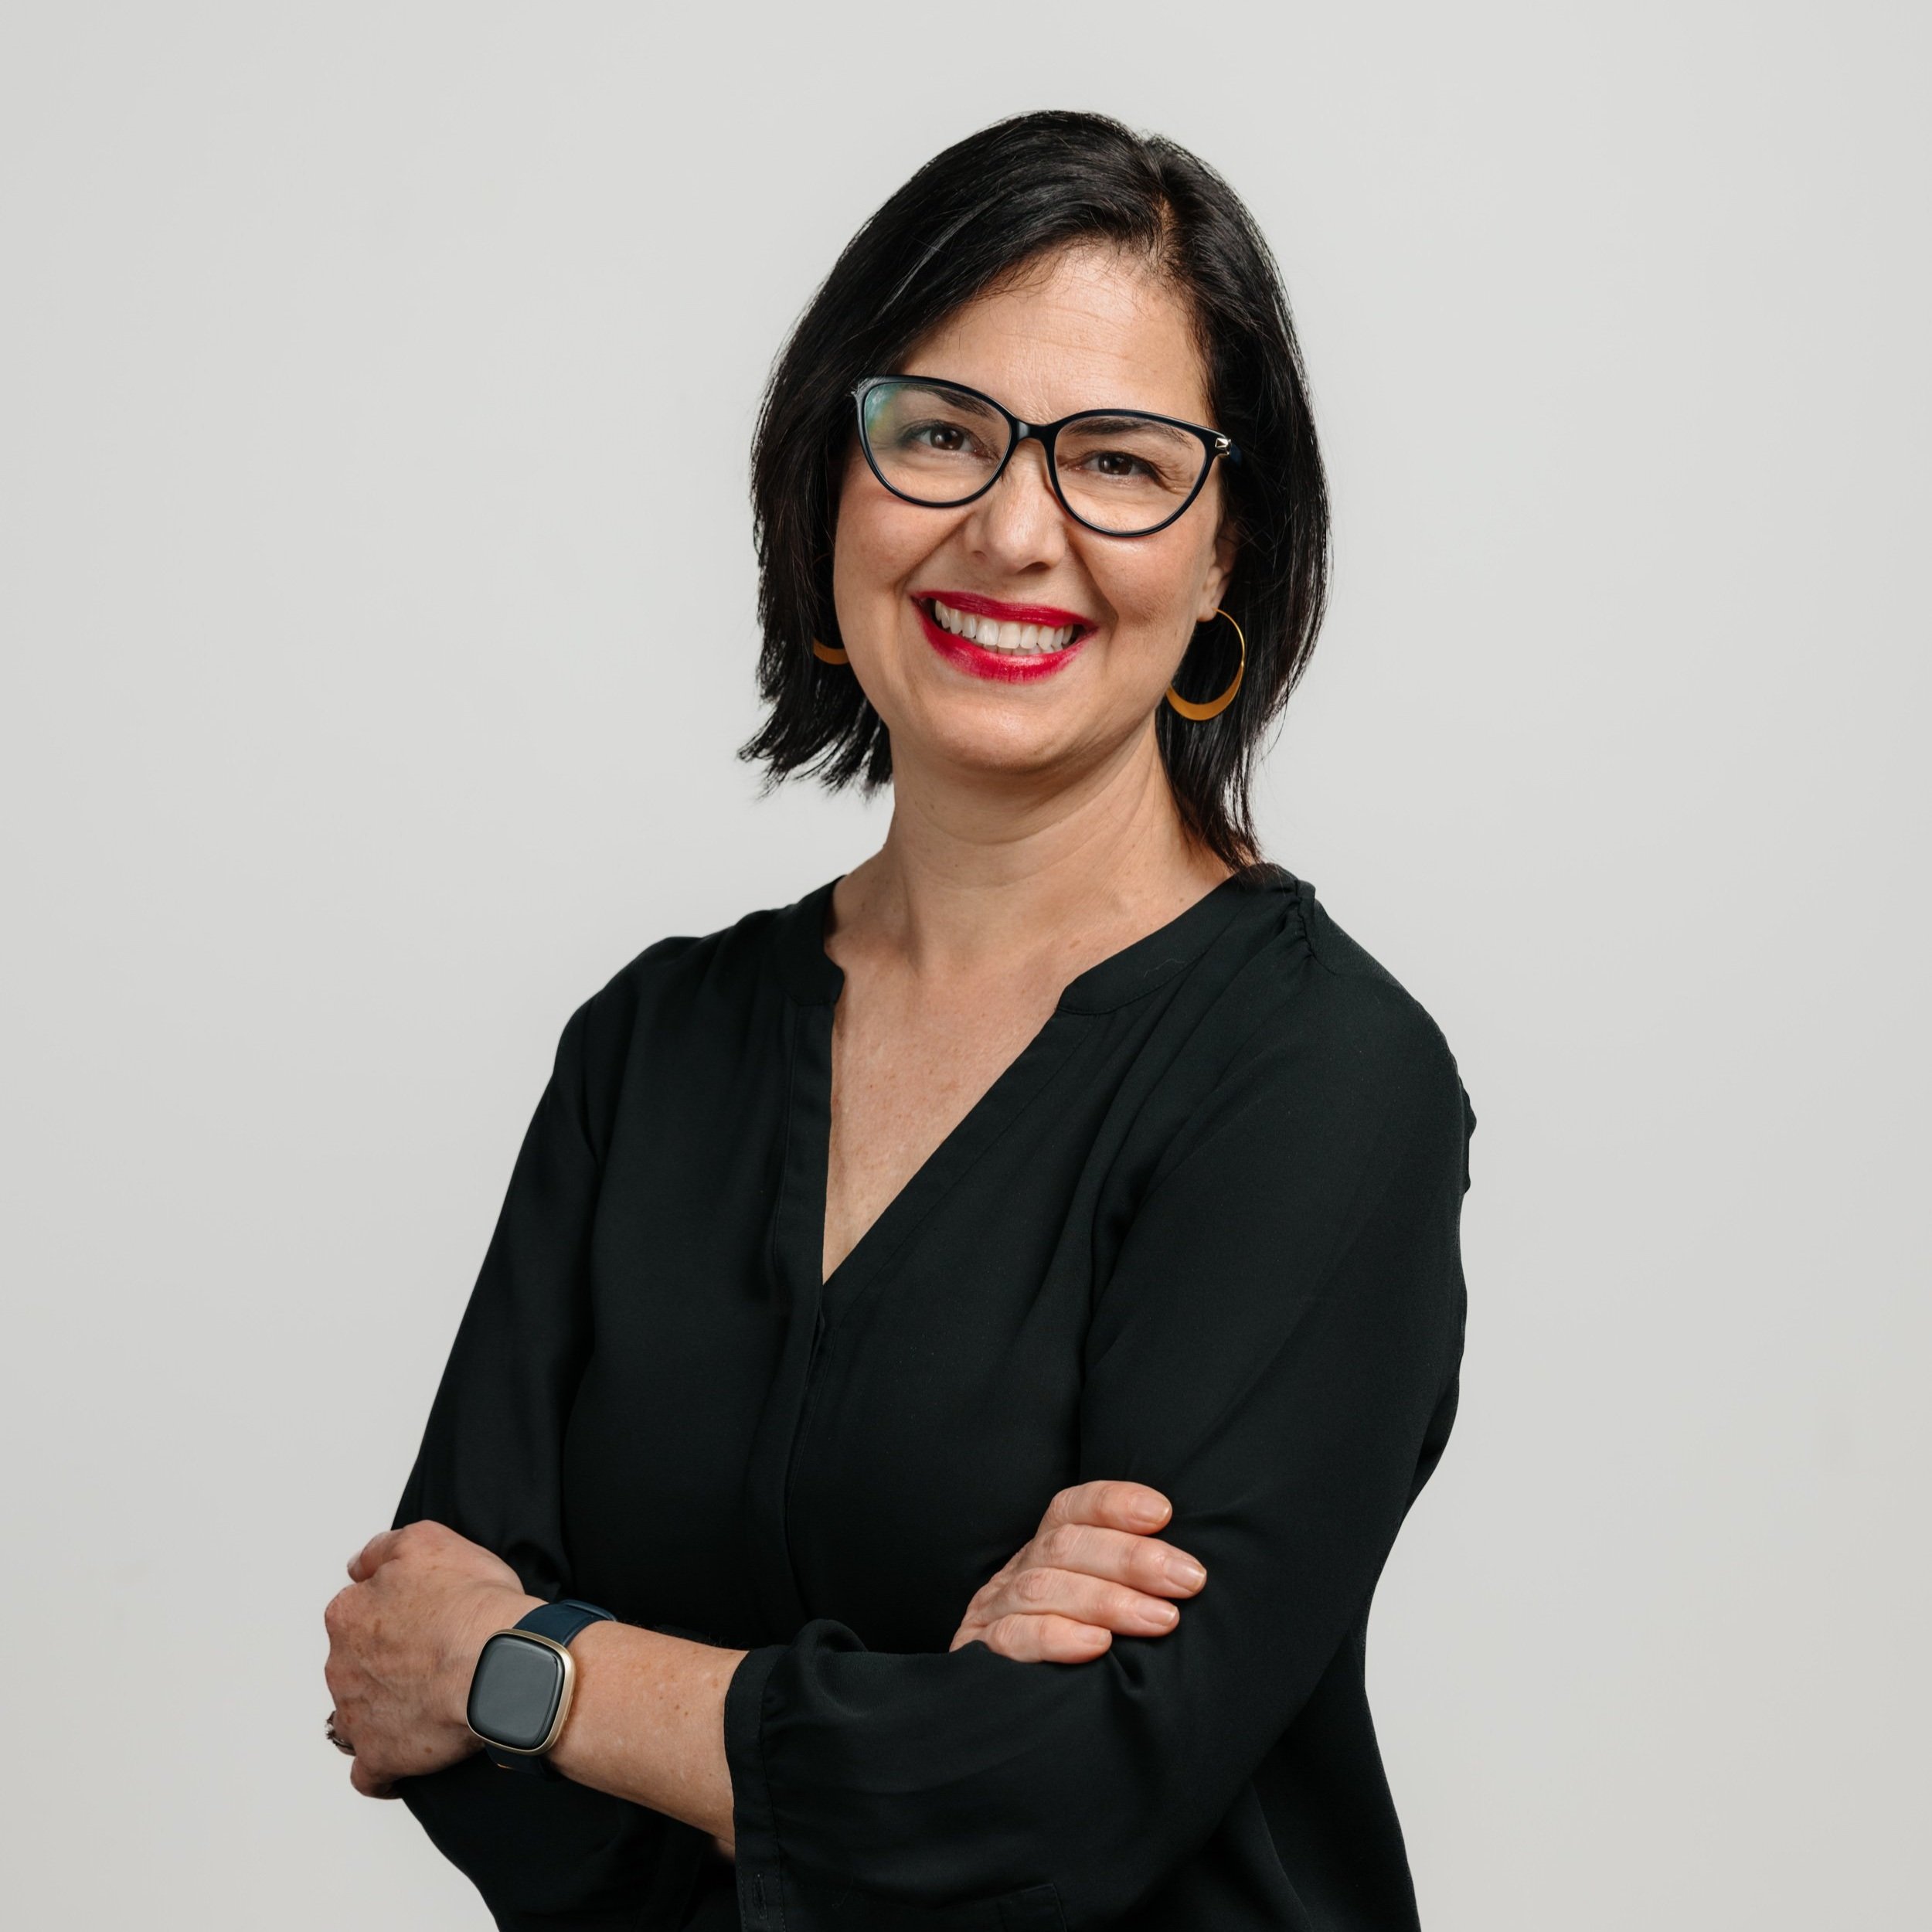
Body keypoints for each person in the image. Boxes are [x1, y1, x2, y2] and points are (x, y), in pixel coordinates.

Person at [321, 108, 1476, 1932]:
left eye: (1116, 458)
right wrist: (898, 1729)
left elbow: (1067, 1791)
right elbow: (410, 1668)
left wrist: (539, 1673)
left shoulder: (1323, 1082)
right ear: (824, 487)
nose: (1012, 527)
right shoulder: (652, 1049)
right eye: (937, 432)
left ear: (1224, 556)